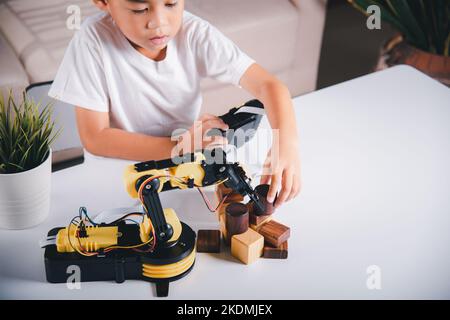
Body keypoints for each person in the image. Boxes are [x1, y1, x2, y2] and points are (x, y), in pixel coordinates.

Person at [48, 0, 301, 208]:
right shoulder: (91, 41)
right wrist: (181, 148)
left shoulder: (193, 32)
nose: (159, 22)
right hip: (113, 183)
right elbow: (96, 138)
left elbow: (270, 86)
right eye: (140, 9)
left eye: (171, 3)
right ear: (104, 2)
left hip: (182, 176)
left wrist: (286, 147)